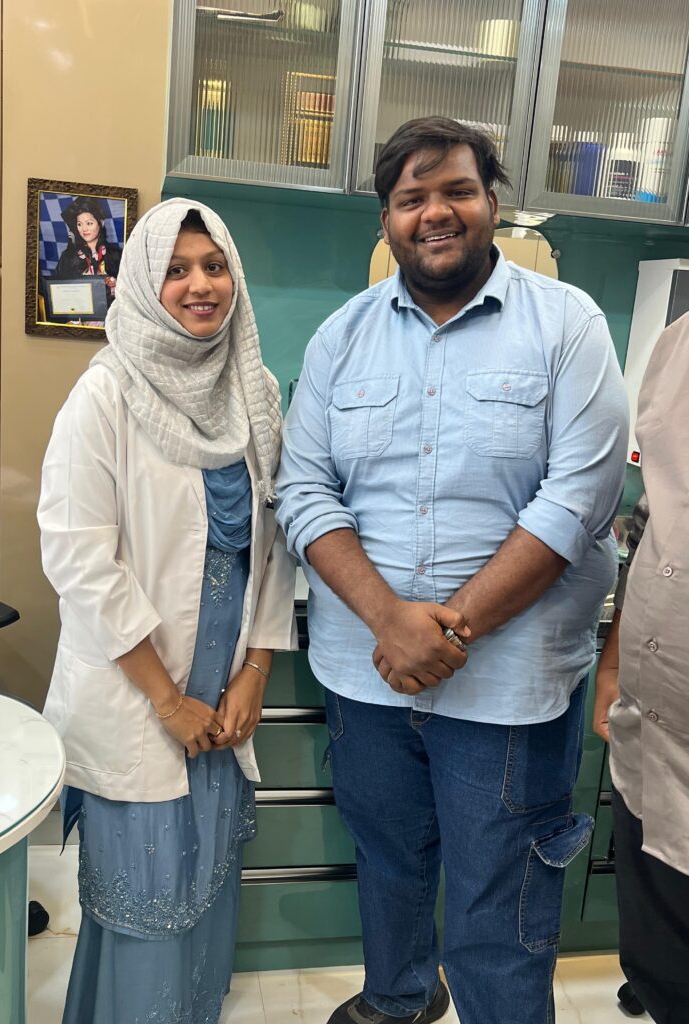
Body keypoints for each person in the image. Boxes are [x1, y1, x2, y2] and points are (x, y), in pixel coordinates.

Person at [275, 116, 628, 1024]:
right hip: (368, 678)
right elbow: (305, 489)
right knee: (389, 859)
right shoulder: (340, 338)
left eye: (456, 191)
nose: (436, 213)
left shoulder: (568, 324)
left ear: (491, 203)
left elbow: (576, 501)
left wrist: (450, 627)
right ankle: (397, 999)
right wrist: (392, 622)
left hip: (507, 690)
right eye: (411, 198)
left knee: (498, 898)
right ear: (387, 219)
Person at [38, 198, 297, 1024]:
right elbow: (81, 560)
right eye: (176, 270)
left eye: (213, 266)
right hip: (143, 702)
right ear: (145, 285)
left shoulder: (254, 392)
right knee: (147, 908)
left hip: (221, 708)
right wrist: (167, 700)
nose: (199, 285)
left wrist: (256, 669)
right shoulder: (106, 395)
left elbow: (276, 539)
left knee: (204, 894)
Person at [593, 312, 689, 1024]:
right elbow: (655, 523)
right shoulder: (679, 339)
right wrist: (615, 660)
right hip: (650, 721)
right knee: (657, 926)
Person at [53, 195, 122, 306]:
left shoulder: (116, 255)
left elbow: (129, 294)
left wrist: (116, 286)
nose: (84, 229)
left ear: (101, 223)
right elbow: (57, 290)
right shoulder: (68, 257)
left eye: (89, 223)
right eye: (79, 224)